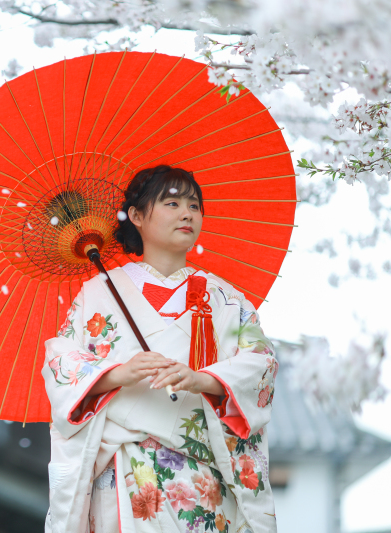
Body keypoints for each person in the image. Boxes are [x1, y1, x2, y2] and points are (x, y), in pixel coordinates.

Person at [42, 166, 278, 533]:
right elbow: (61, 363)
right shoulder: (98, 292)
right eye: (172, 203)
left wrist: (203, 379)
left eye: (194, 206)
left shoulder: (226, 300)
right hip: (123, 468)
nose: (187, 214)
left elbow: (261, 364)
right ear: (136, 216)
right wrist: (117, 374)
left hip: (198, 480)